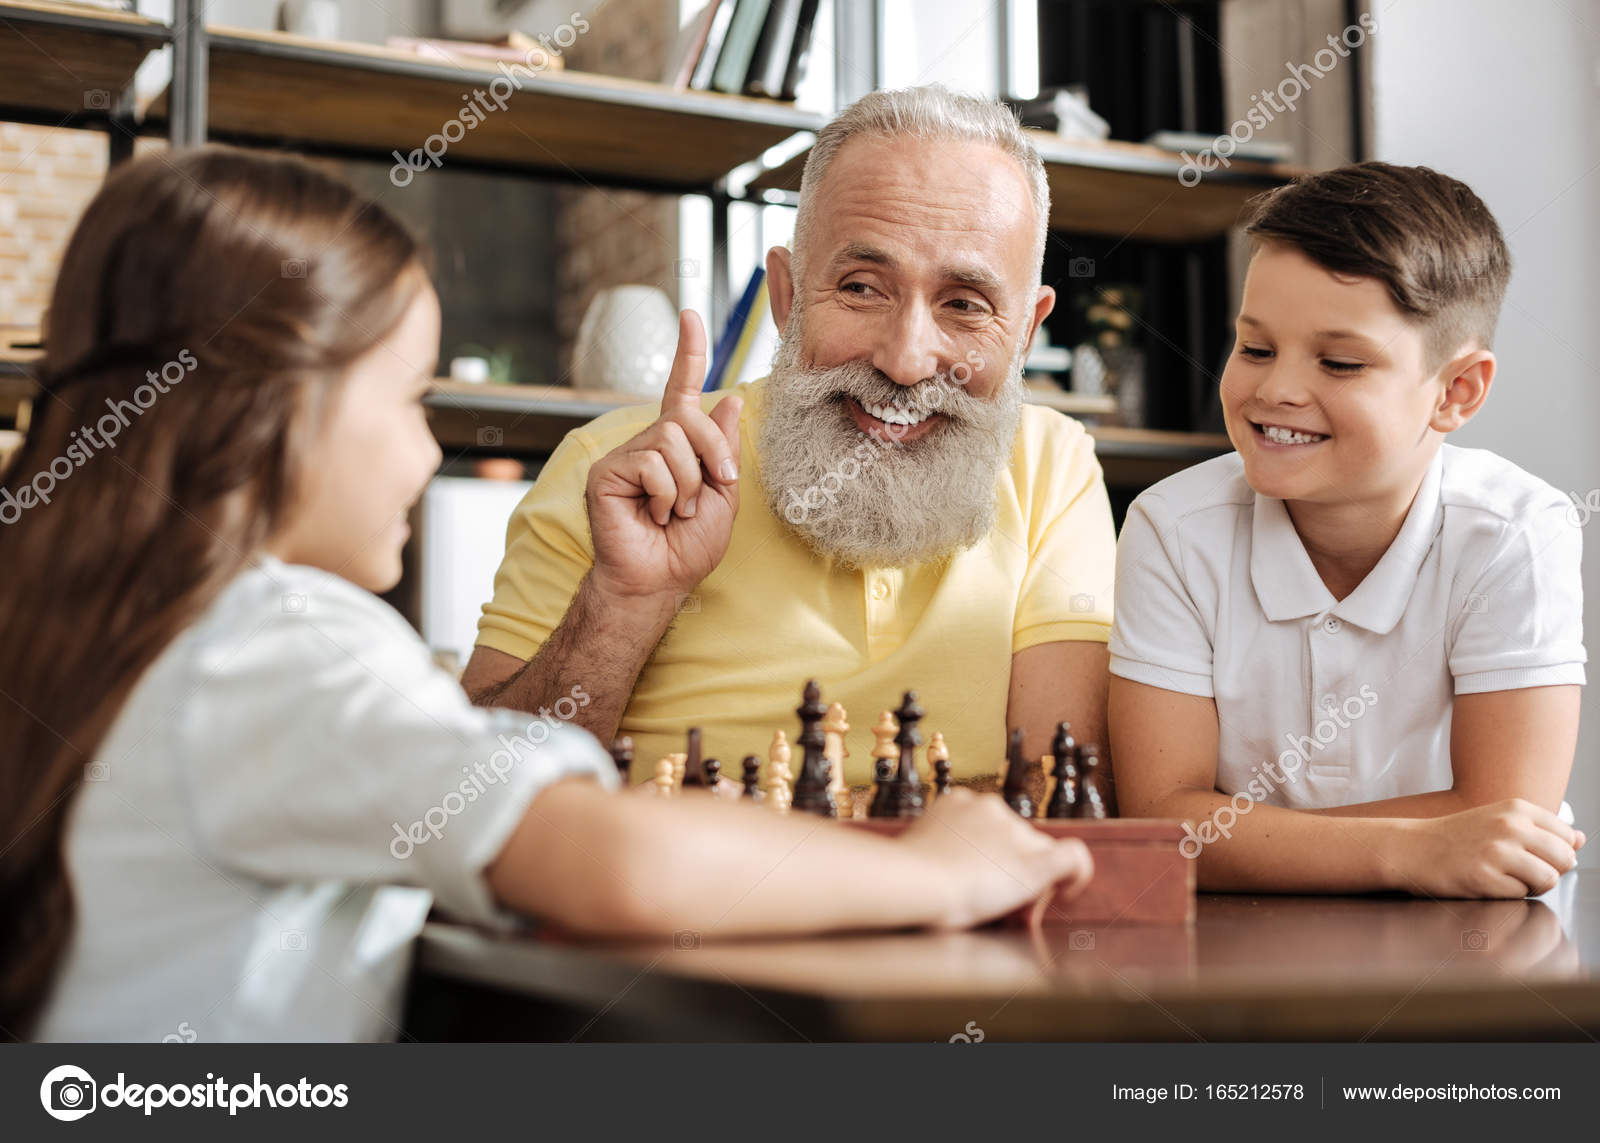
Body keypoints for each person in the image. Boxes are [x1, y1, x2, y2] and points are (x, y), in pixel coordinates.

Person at [0, 148, 1092, 1042]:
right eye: (409, 398)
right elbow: (618, 865)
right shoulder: (280, 651)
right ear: (267, 413)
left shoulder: (100, 623)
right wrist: (938, 875)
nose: (428, 453)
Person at [462, 85, 1118, 793]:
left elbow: (1062, 800)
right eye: (863, 288)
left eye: (964, 304)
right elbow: (472, 797)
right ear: (787, 294)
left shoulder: (1054, 464)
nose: (905, 359)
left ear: (1025, 331)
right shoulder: (616, 470)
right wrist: (623, 601)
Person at [1109, 161, 1586, 897]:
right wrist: (1414, 849)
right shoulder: (1173, 530)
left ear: (1456, 391)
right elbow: (1162, 825)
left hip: (1470, 947)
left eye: (1339, 362)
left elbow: (1505, 816)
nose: (1276, 390)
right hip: (1241, 955)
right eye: (1255, 348)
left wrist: (1251, 837)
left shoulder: (1516, 532)